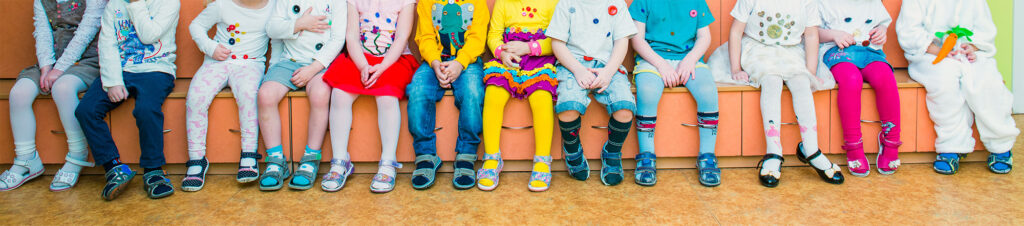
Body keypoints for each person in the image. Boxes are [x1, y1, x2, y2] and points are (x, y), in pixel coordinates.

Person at [707, 0, 844, 187]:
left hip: (791, 52)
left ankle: (811, 149)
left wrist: (811, 72)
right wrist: (735, 67)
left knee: (802, 82)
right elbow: (736, 31)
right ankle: (774, 151)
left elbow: (811, 35)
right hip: (757, 49)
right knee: (771, 80)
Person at [896, 0, 1019, 175]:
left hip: (969, 54)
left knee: (987, 82)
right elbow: (909, 31)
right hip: (930, 55)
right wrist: (938, 50)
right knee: (944, 84)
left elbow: (985, 30)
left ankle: (1001, 144)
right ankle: (951, 145)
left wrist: (973, 47)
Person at [75, 0, 180, 200]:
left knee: (146, 109)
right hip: (120, 70)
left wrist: (136, 3)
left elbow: (149, 35)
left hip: (156, 69)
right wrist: (112, 81)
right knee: (86, 110)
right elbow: (107, 44)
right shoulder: (113, 5)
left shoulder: (169, 2)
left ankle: (153, 171)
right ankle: (114, 168)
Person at [0, 0, 106, 192]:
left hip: (87, 60)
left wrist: (58, 70)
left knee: (63, 89)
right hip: (52, 61)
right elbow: (42, 33)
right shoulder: (41, 2)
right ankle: (26, 159)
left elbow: (87, 31)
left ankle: (77, 155)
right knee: (19, 93)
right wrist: (46, 67)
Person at [319, 0, 418, 193]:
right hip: (360, 59)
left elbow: (401, 38)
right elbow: (352, 37)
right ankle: (340, 161)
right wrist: (363, 65)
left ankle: (388, 161)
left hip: (393, 60)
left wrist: (383, 66)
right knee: (339, 94)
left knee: (387, 96)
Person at [181, 0, 277, 192]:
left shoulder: (274, 6)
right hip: (217, 62)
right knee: (195, 97)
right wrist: (210, 47)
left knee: (249, 95)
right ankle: (196, 159)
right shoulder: (222, 5)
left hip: (250, 64)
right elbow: (196, 26)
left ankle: (249, 155)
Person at [628, 0, 720, 187]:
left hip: (687, 59)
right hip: (652, 59)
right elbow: (637, 40)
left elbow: (704, 38)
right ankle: (646, 157)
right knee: (647, 92)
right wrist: (661, 64)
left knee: (708, 91)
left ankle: (707, 156)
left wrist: (689, 60)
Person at [258, 0, 346, 191]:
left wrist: (314, 67)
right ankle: (275, 160)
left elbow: (338, 39)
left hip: (321, 64)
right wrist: (299, 24)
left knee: (320, 94)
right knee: (265, 95)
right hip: (289, 62)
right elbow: (272, 28)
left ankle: (311, 157)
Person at [548, 0, 638, 186]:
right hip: (573, 65)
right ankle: (572, 150)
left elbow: (622, 41)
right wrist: (578, 69)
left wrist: (609, 71)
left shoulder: (616, 4)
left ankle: (612, 152)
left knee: (625, 109)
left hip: (608, 65)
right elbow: (557, 43)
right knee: (568, 107)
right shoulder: (566, 4)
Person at [477, 0, 560, 192]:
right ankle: (491, 158)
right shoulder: (503, 3)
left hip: (540, 60)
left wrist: (529, 48)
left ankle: (542, 160)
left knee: (542, 97)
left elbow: (557, 38)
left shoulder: (553, 3)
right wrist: (501, 53)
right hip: (509, 59)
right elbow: (494, 35)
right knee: (493, 94)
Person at [407, 0, 489, 190]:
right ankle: (426, 155)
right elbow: (425, 36)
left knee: (473, 93)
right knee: (418, 92)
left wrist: (460, 63)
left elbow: (477, 38)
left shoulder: (477, 3)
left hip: (467, 62)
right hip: (434, 61)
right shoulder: (427, 3)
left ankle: (467, 154)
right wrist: (435, 63)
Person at [818, 0, 900, 176]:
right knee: (851, 79)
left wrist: (882, 31)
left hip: (869, 51)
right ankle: (853, 144)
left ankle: (892, 140)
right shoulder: (824, 3)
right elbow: (811, 32)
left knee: (885, 76)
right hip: (837, 51)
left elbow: (882, 23)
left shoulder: (873, 3)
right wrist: (834, 34)